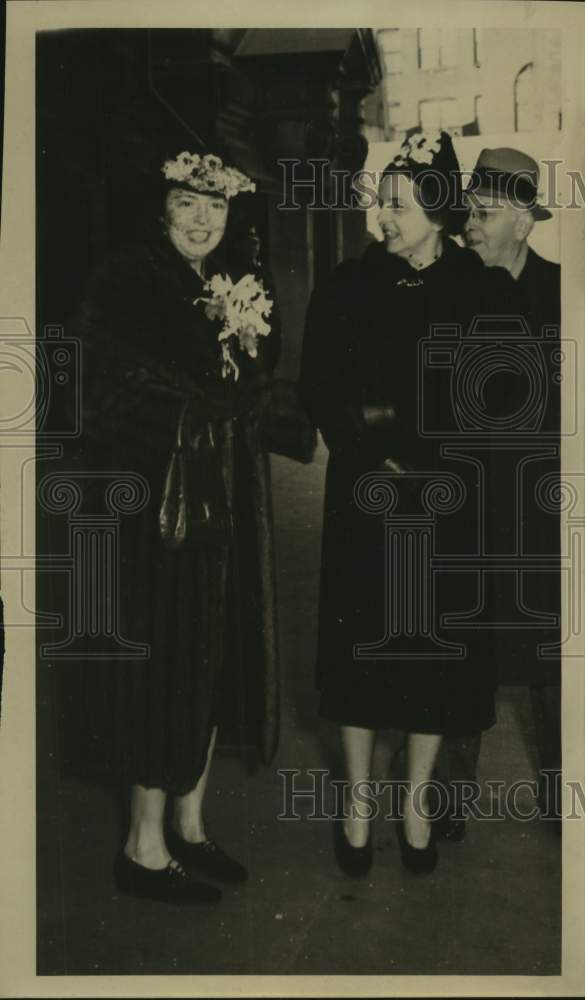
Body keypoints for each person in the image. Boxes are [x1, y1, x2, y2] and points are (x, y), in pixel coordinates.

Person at [299, 130, 530, 876]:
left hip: (447, 500)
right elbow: (319, 389)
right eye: (378, 202)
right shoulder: (346, 284)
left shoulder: (482, 289)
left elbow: (501, 392)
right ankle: (358, 802)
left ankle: (417, 802)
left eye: (395, 204)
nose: (380, 217)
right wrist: (376, 450)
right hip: (365, 497)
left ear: (435, 205)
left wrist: (429, 450)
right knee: (362, 646)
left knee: (440, 657)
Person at [72, 151, 281, 903]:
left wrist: (244, 380)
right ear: (162, 205)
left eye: (214, 208)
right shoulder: (127, 278)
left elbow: (258, 378)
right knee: (162, 665)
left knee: (214, 657)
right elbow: (95, 387)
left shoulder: (232, 279)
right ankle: (143, 845)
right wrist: (191, 408)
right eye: (188, 203)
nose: (201, 221)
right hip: (156, 511)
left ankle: (189, 827)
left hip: (223, 499)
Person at [463, 147, 561, 822]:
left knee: (552, 653)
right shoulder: (446, 289)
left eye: (487, 213)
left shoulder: (564, 291)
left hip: (544, 507)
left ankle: (560, 791)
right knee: (459, 642)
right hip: (465, 500)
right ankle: (447, 797)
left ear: (524, 222)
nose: (469, 225)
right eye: (468, 210)